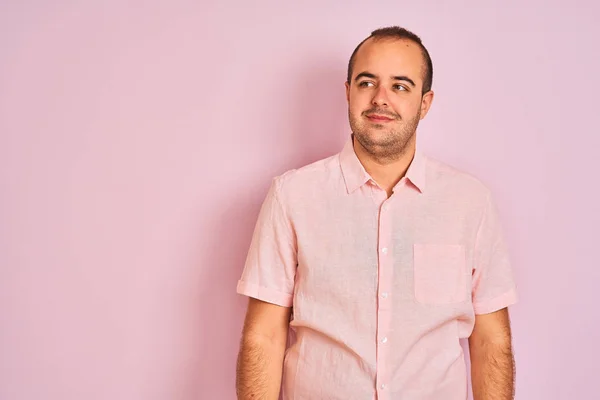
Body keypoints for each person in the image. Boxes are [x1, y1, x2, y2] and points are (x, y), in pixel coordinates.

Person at [235, 26, 518, 400]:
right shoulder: (292, 196)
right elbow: (264, 336)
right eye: (367, 82)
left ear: (425, 102)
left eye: (401, 86)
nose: (381, 99)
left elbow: (491, 341)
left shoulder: (469, 202)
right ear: (348, 91)